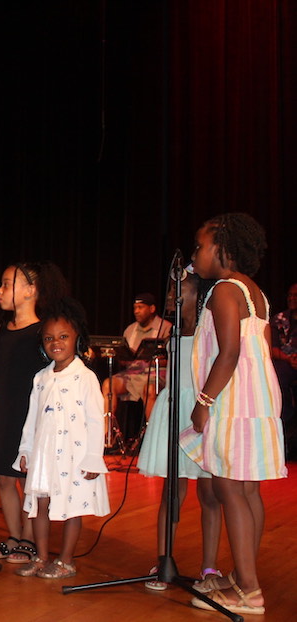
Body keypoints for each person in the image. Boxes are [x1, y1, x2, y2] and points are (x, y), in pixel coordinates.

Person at [180, 213, 287, 616]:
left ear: (222, 249)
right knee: (246, 491)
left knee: (229, 489)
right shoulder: (253, 290)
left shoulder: (225, 290)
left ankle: (250, 592)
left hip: (232, 400)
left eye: (199, 246)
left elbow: (228, 353)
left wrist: (203, 402)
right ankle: (244, 578)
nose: (195, 254)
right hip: (256, 400)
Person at [13, 297, 110, 579]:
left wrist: (94, 456)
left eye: (63, 336)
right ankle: (42, 558)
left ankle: (66, 560)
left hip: (74, 454)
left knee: (72, 506)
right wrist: (26, 450)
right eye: (49, 338)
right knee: (40, 504)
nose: (56, 343)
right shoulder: (41, 378)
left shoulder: (85, 377)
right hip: (44, 454)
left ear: (77, 337)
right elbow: (32, 418)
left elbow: (95, 419)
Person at [137, 273, 222, 590]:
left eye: (181, 287)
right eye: (171, 286)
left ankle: (209, 568)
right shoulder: (172, 331)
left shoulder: (210, 328)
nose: (173, 292)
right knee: (171, 493)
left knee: (210, 494)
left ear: (197, 292)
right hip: (174, 408)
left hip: (202, 409)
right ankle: (164, 560)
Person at [0, 261, 67, 564]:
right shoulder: (3, 329)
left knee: (29, 480)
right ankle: (14, 535)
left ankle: (29, 540)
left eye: (7, 284)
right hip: (4, 411)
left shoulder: (43, 332)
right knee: (4, 478)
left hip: (30, 416)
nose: (0, 290)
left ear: (31, 291)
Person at [100, 293, 173, 421]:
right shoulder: (130, 330)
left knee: (150, 389)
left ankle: (150, 433)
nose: (136, 311)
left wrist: (152, 360)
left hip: (154, 374)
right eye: (135, 308)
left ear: (152, 309)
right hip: (132, 375)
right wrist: (123, 357)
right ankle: (108, 434)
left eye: (140, 307)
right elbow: (124, 360)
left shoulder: (166, 327)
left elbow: (170, 359)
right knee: (108, 384)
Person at [270, 283, 296, 456]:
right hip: (285, 362)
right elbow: (269, 347)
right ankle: (285, 425)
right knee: (276, 376)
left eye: (295, 295)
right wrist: (288, 358)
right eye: (289, 295)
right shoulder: (279, 319)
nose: (291, 298)